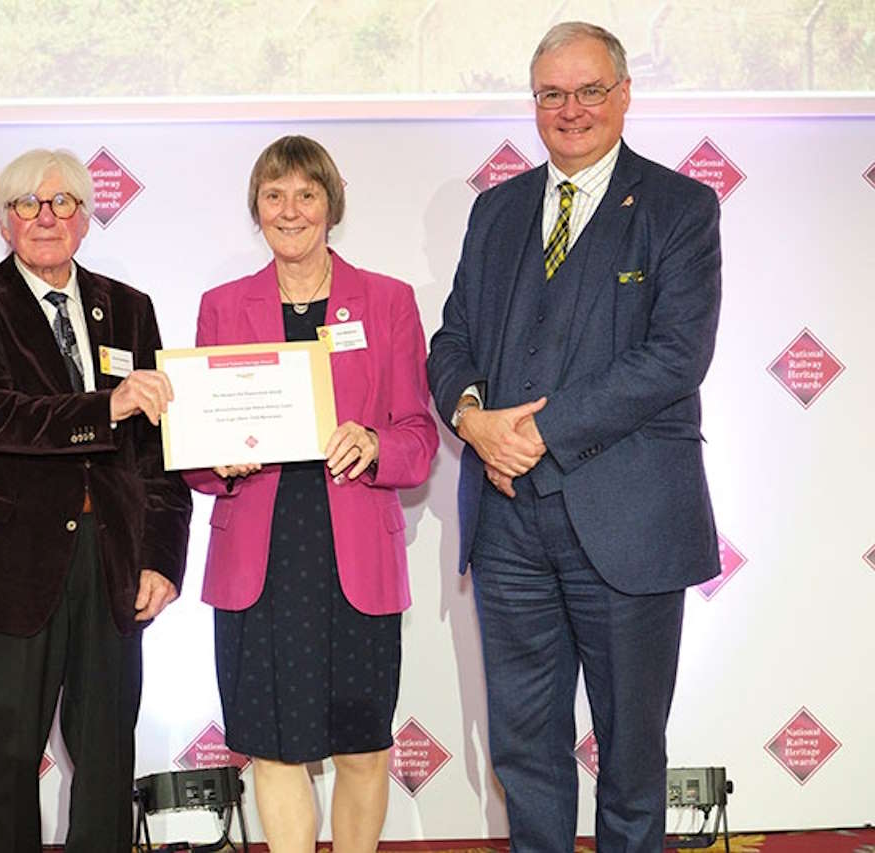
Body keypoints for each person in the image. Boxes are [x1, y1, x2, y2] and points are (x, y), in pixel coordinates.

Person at [426, 21, 722, 853]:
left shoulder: (680, 207)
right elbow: (452, 341)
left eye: (590, 90)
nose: (571, 109)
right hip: (510, 530)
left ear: (625, 95)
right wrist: (474, 417)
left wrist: (538, 432)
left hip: (627, 525)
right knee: (525, 752)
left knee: (631, 755)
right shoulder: (498, 209)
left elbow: (676, 355)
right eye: (553, 94)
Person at [0, 148, 192, 852]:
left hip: (111, 565)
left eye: (63, 202)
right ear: (5, 221)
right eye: (26, 204)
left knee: (107, 757)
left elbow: (158, 451)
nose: (45, 217)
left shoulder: (130, 309)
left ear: (85, 217)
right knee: (1, 761)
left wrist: (162, 556)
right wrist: (108, 407)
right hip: (4, 566)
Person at [185, 135, 438, 852]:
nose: (289, 210)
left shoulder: (387, 302)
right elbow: (196, 455)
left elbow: (419, 436)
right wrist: (219, 460)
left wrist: (377, 445)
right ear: (255, 209)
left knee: (361, 746)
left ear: (332, 204)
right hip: (260, 560)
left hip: (351, 556)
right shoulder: (223, 306)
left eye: (305, 194)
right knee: (273, 747)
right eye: (274, 195)